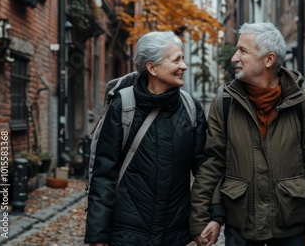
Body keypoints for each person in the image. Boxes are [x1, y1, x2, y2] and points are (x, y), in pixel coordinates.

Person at [190, 22, 305, 246]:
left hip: (289, 228)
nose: (234, 57)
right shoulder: (224, 101)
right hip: (241, 229)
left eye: (243, 51)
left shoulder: (301, 100)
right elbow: (212, 164)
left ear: (269, 59)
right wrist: (201, 219)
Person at [84, 31, 224, 246]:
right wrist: (97, 235)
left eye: (183, 59)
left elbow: (205, 168)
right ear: (152, 68)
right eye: (176, 60)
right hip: (127, 233)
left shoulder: (190, 108)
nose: (184, 66)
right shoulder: (123, 106)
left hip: (175, 233)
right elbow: (104, 174)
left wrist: (213, 216)